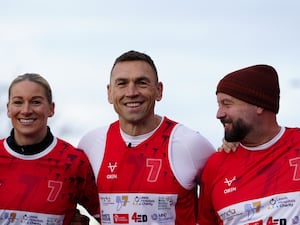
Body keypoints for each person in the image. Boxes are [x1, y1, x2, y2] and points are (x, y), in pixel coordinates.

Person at [78, 50, 216, 225]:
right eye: (122, 83)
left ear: (159, 91)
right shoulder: (91, 144)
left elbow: (229, 193)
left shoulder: (190, 144)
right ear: (110, 93)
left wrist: (233, 143)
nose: (132, 92)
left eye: (142, 83)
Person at [198, 64, 300, 224]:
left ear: (259, 105)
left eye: (227, 103)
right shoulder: (215, 166)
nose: (219, 114)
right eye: (219, 105)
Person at [0, 73, 100, 225]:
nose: (26, 110)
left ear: (51, 109)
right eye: (18, 102)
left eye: (36, 102)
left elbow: (110, 216)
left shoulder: (74, 162)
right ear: (8, 109)